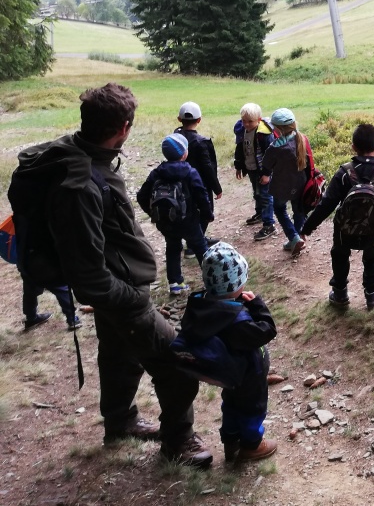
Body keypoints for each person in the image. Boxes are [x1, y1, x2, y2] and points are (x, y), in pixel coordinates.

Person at [11, 83, 211, 466]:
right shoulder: (80, 186)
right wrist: (133, 299)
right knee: (178, 365)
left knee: (119, 356)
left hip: (117, 286)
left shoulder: (84, 153)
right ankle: (179, 441)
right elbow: (88, 276)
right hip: (119, 293)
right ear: (123, 128)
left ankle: (120, 421)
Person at [180, 243, 278, 464]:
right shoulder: (236, 321)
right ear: (237, 283)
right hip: (249, 374)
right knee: (253, 408)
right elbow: (267, 330)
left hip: (228, 374)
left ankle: (230, 441)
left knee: (231, 404)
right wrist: (257, 305)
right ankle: (252, 445)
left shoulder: (202, 306)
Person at [301, 123, 374, 310]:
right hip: (372, 229)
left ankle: (340, 293)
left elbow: (326, 204)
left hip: (343, 230)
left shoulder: (345, 173)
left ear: (353, 147)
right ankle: (372, 295)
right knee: (371, 256)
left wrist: (307, 228)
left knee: (339, 255)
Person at [136, 133, 212, 295]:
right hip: (189, 221)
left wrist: (153, 213)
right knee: (200, 247)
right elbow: (201, 194)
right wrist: (207, 214)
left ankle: (175, 283)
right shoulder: (190, 172)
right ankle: (212, 281)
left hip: (165, 221)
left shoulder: (156, 173)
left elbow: (141, 196)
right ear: (184, 153)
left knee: (172, 248)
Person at [261, 108, 311, 254]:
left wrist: (265, 175)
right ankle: (298, 235)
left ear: (277, 128)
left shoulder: (275, 147)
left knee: (279, 209)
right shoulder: (302, 138)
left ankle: (294, 238)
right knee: (299, 211)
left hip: (281, 186)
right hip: (301, 183)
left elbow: (266, 165)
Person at [174, 101, 222, 236]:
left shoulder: (175, 137)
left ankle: (194, 238)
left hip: (180, 184)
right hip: (200, 185)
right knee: (205, 211)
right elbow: (208, 167)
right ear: (199, 120)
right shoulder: (202, 142)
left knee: (187, 210)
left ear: (179, 119)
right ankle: (197, 240)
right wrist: (217, 188)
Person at [233, 103, 276, 242]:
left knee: (265, 196)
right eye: (244, 121)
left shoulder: (264, 134)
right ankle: (260, 214)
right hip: (251, 168)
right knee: (257, 193)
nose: (246, 124)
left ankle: (269, 224)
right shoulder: (242, 131)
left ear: (258, 119)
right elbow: (239, 149)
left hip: (263, 170)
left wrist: (267, 174)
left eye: (250, 121)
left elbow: (271, 155)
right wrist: (238, 166)